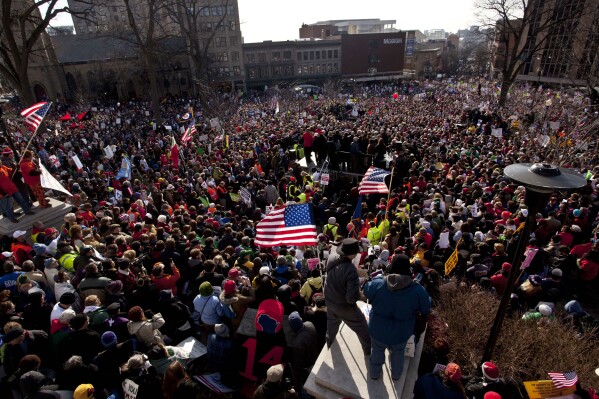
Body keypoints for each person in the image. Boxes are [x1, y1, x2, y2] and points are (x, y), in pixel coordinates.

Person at [364, 254, 431, 380]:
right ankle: (396, 375)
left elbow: (366, 291)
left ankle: (374, 374)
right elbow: (426, 308)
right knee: (398, 354)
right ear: (408, 269)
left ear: (391, 266)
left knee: (377, 352)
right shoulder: (418, 290)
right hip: (402, 333)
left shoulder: (378, 283)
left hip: (378, 330)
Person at [324, 238, 371, 355]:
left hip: (330, 300)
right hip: (343, 306)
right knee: (362, 326)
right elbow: (351, 298)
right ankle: (368, 351)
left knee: (332, 323)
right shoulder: (350, 270)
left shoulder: (332, 258)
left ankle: (329, 342)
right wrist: (361, 294)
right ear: (353, 254)